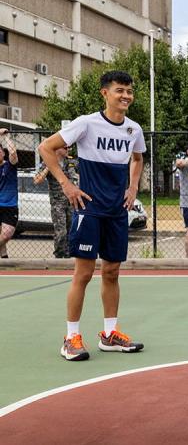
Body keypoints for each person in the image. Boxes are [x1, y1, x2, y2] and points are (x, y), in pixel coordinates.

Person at [38, 71, 146, 362]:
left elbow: (138, 158)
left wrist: (133, 186)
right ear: (105, 93)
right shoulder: (86, 123)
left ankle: (110, 334)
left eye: (129, 91)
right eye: (120, 90)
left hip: (116, 211)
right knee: (83, 274)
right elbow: (45, 147)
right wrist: (66, 183)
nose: (126, 96)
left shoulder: (133, 130)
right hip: (89, 209)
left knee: (112, 272)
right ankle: (71, 337)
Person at [33, 143, 79, 258]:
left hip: (71, 202)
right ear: (57, 149)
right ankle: (59, 255)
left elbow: (78, 176)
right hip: (57, 202)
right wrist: (49, 165)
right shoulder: (48, 162)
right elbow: (37, 180)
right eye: (65, 148)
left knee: (71, 230)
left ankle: (69, 254)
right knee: (61, 231)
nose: (68, 149)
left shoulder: (70, 162)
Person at [0, 129, 19, 258]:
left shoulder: (10, 166)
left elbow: (13, 152)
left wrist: (6, 136)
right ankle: (4, 259)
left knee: (7, 234)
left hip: (9, 204)